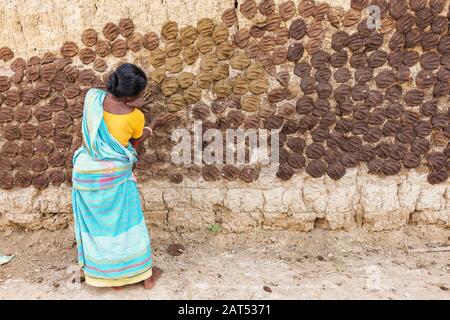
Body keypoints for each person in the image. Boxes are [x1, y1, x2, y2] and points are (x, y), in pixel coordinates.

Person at [71, 63, 173, 289]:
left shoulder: (92, 99)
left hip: (85, 174)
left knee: (99, 228)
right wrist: (153, 124)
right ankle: (145, 277)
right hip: (114, 176)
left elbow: (106, 97)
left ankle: (108, 277)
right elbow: (135, 143)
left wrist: (127, 100)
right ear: (131, 97)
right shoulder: (135, 116)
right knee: (129, 225)